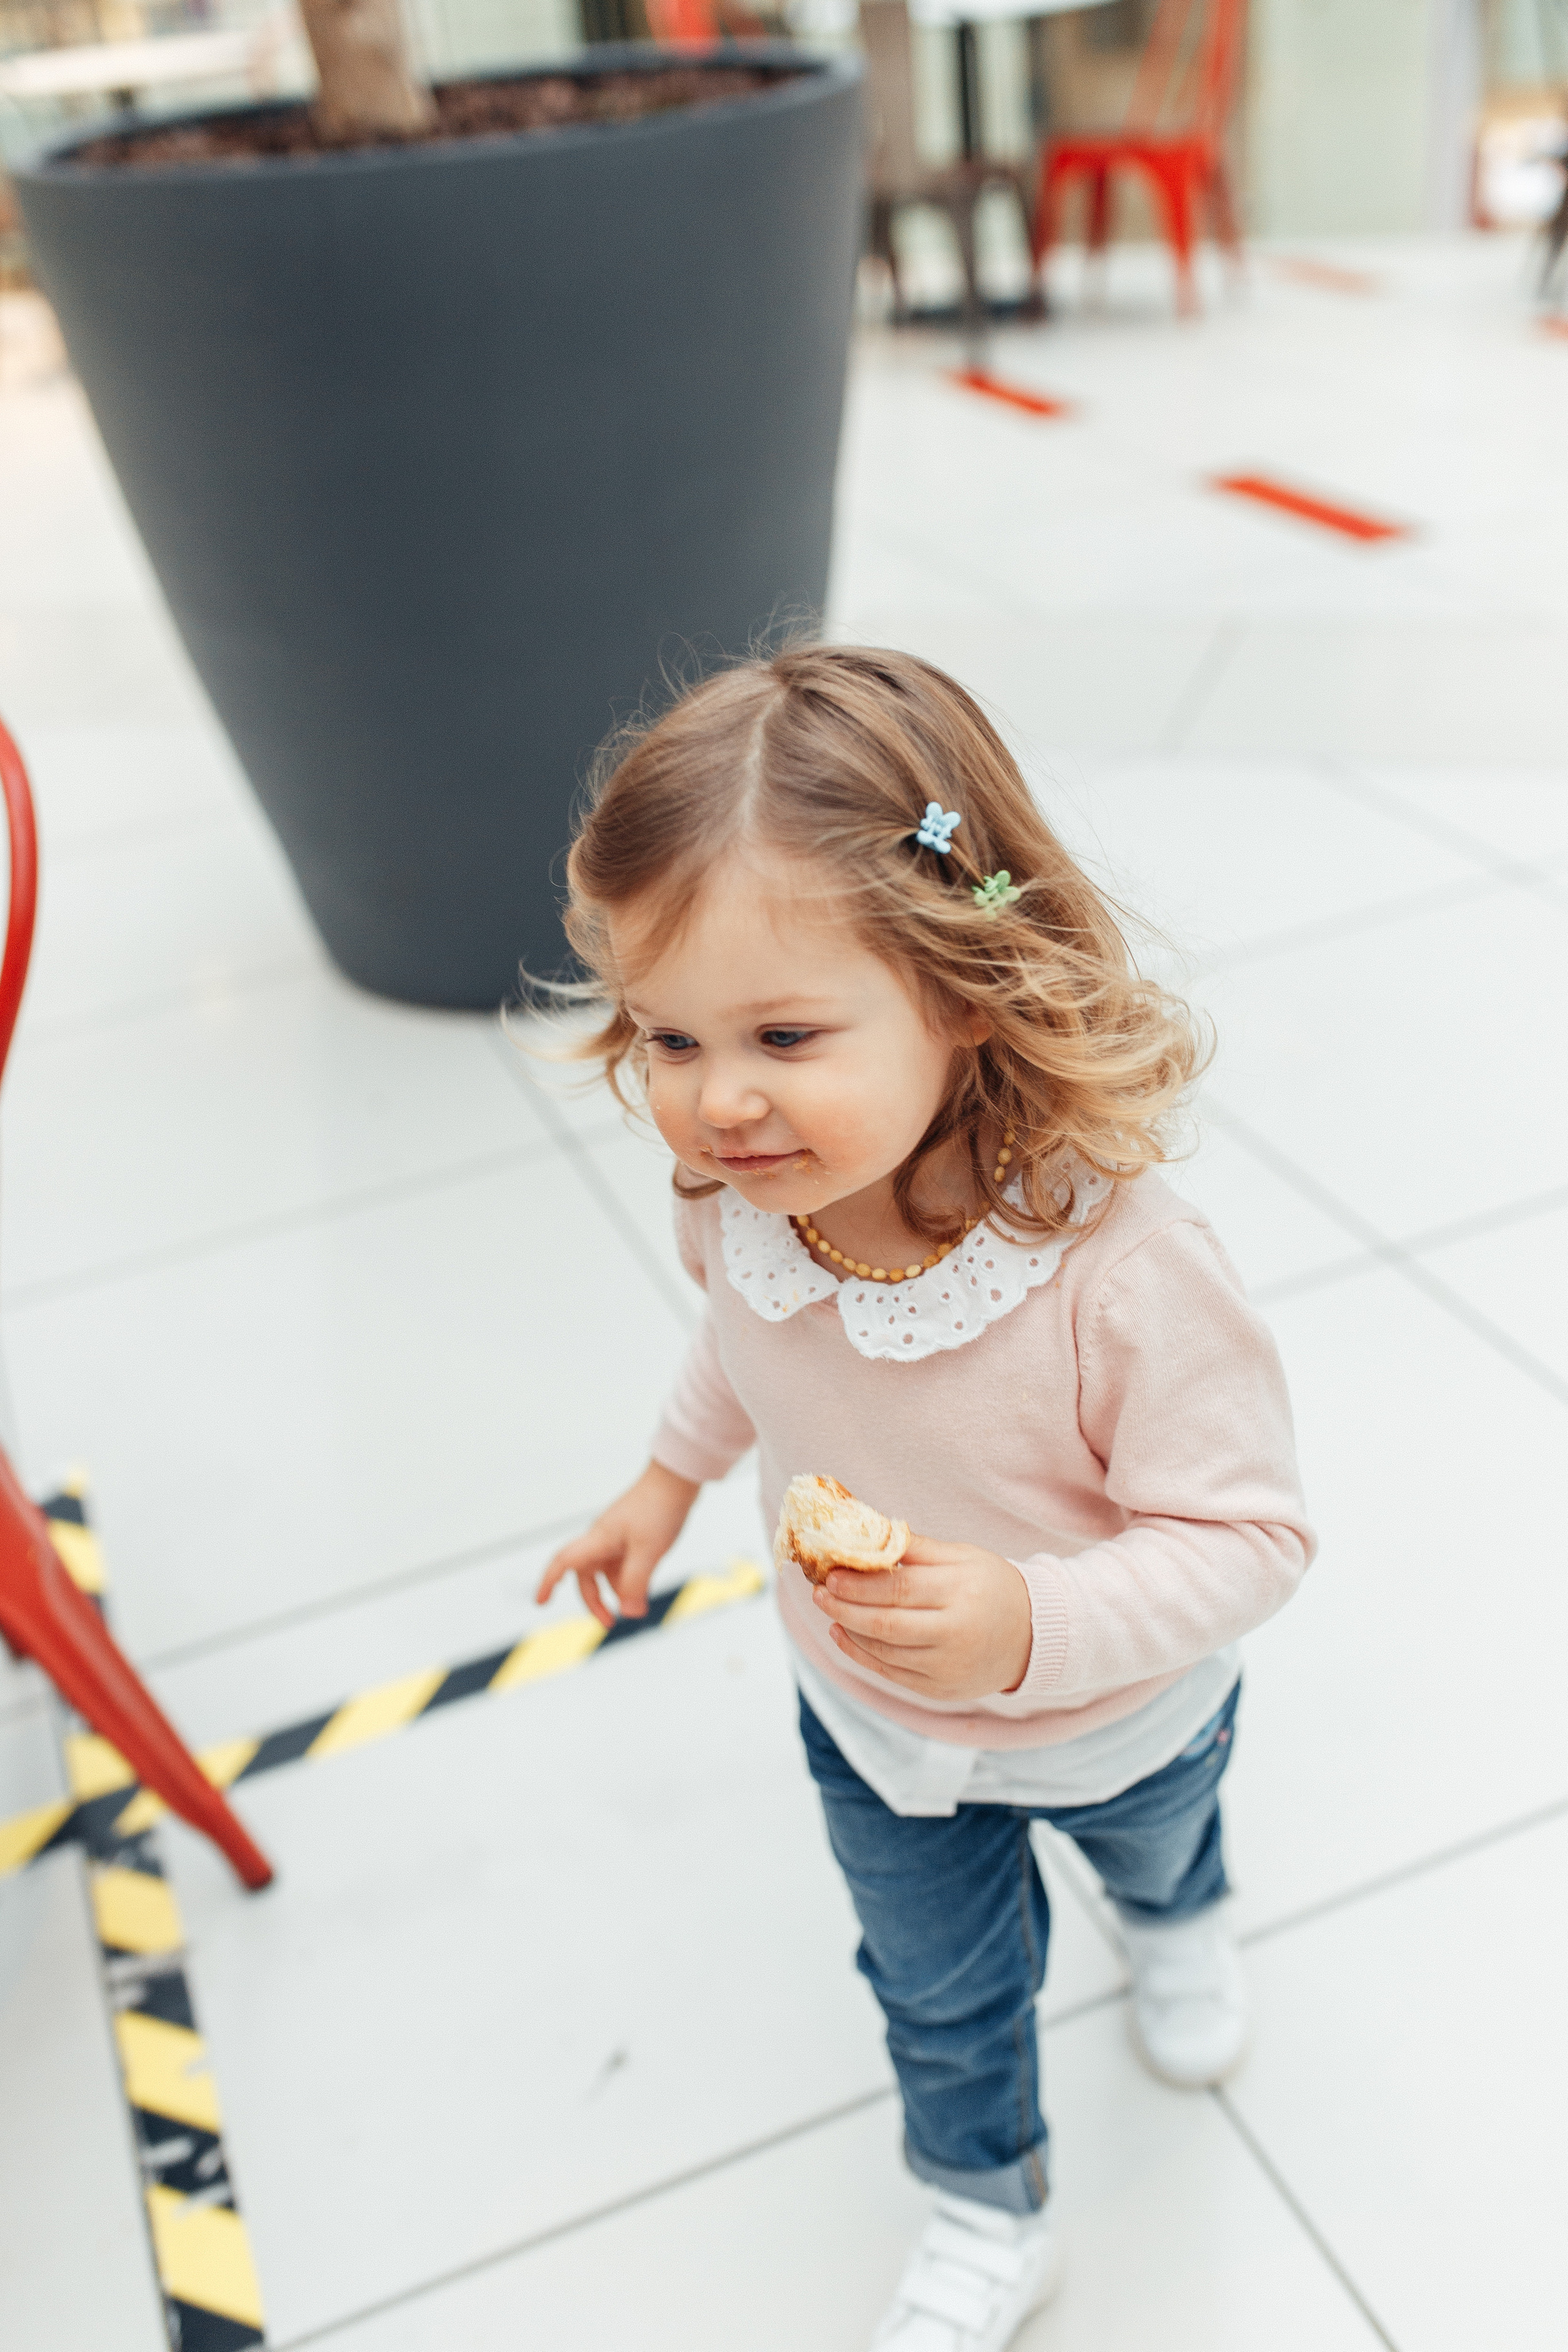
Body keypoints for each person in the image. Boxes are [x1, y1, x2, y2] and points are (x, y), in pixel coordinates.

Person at [535, 645, 1314, 2352]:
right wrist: (665, 1483)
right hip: (877, 1724)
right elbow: (748, 1351)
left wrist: (1032, 1623)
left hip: (1122, 1718)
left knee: (1161, 1857)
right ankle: (984, 2203)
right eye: (671, 1036)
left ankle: (1186, 1926)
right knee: (940, 1998)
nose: (718, 1099)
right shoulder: (744, 1201)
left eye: (785, 1035)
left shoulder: (1122, 1271)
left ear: (964, 990)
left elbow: (1252, 1537)